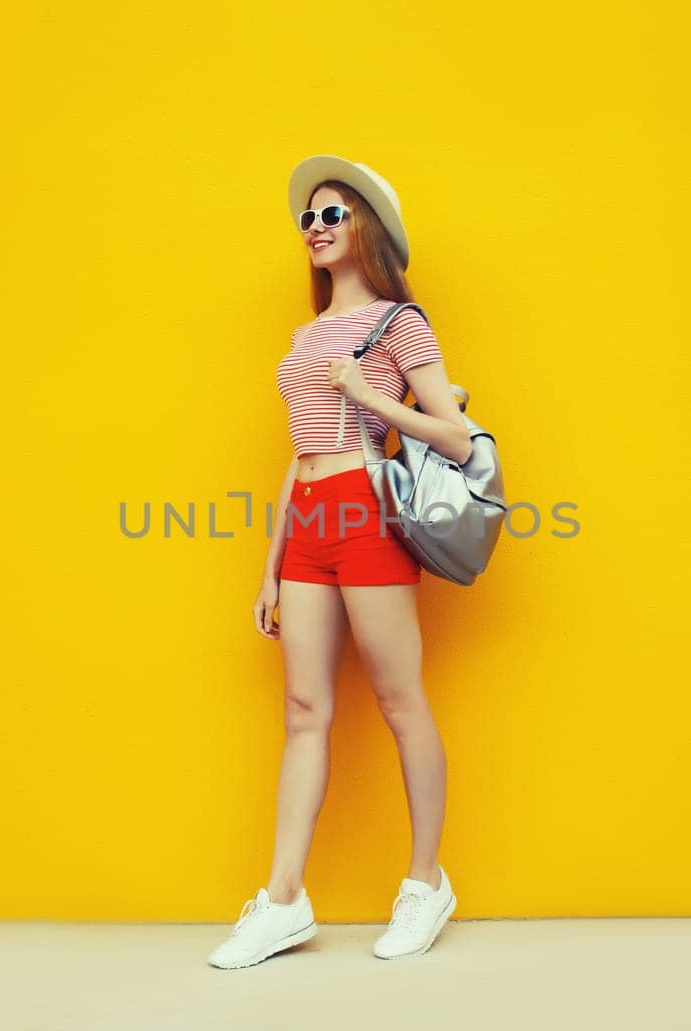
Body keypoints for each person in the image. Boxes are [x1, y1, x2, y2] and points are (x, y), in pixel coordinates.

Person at [208, 156, 473, 970]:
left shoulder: (401, 324)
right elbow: (298, 451)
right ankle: (283, 899)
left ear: (367, 229)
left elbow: (457, 436)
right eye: (308, 219)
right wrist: (270, 564)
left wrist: (370, 396)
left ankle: (425, 884)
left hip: (366, 506)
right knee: (302, 707)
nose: (315, 228)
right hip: (312, 520)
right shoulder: (303, 336)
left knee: (399, 700)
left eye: (332, 215)